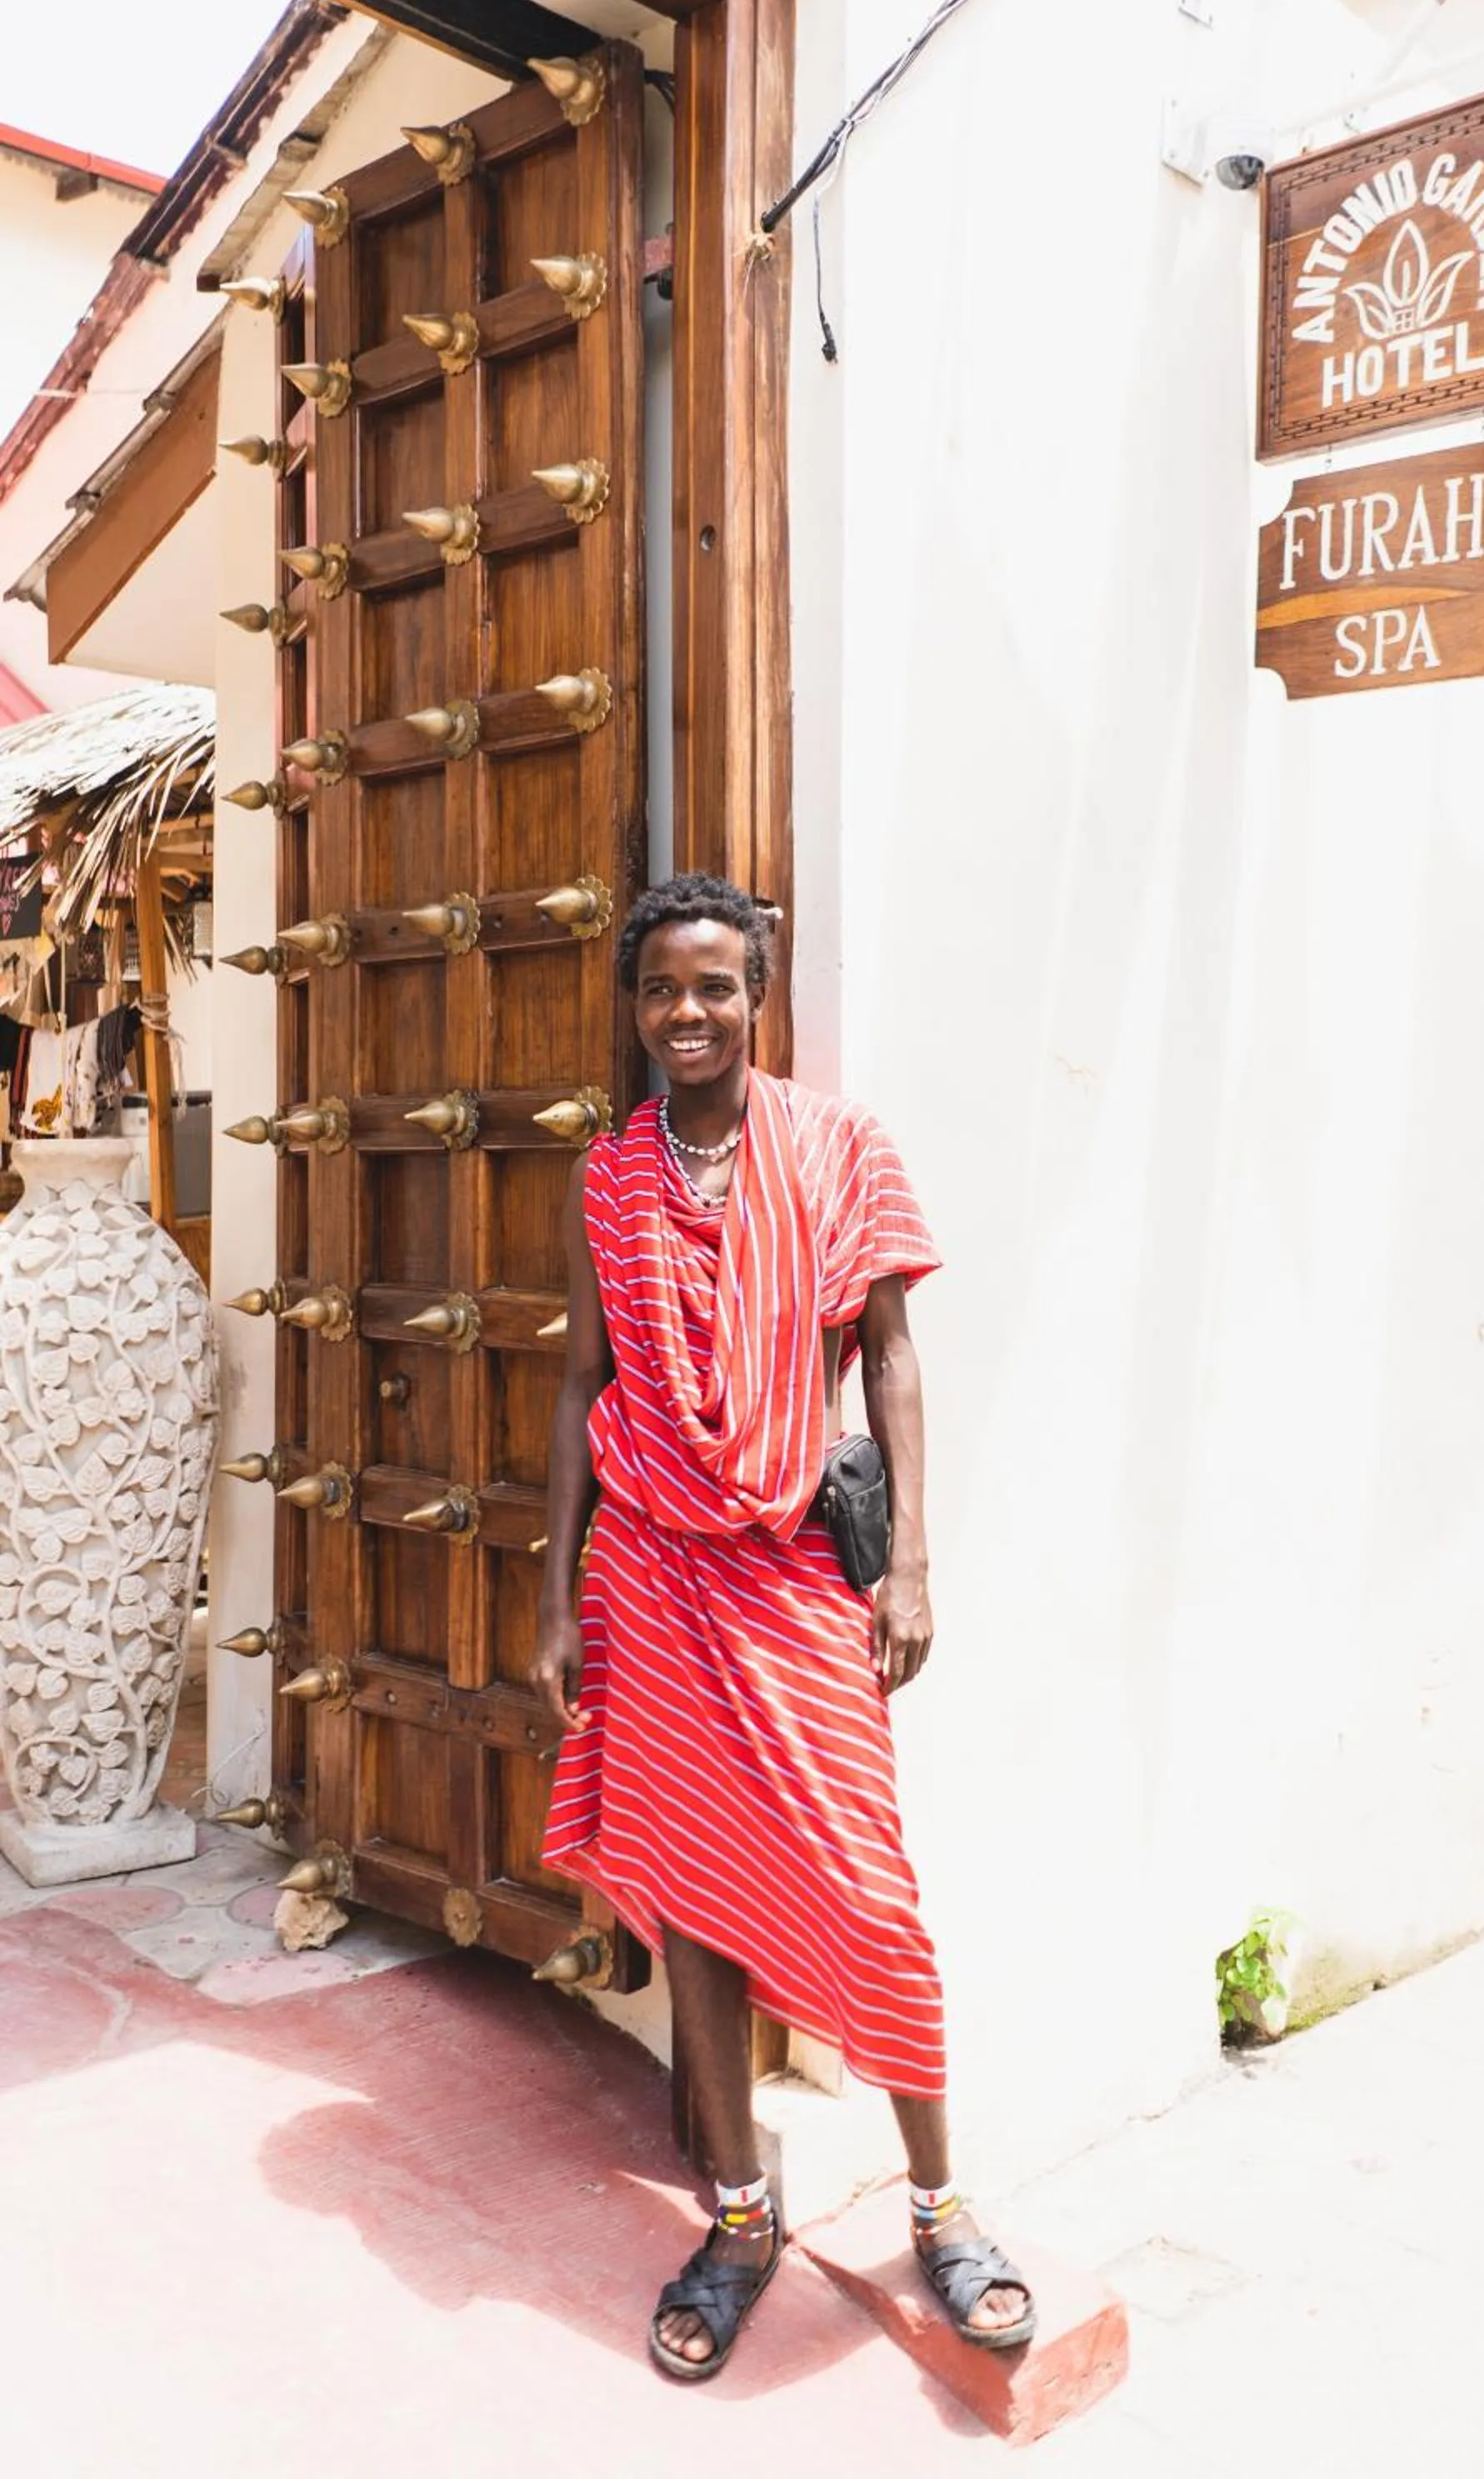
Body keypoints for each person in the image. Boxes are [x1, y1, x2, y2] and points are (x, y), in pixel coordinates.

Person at [534, 872, 1032, 2382]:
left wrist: (914, 1564)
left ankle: (940, 2206)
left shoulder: (838, 1148)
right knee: (693, 1899)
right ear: (636, 1008)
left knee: (871, 1890)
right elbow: (582, 1386)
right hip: (651, 1573)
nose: (687, 1012)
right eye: (661, 989)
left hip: (799, 1566)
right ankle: (742, 2214)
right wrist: (554, 1596)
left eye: (715, 986)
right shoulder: (611, 1176)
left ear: (757, 996)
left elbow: (891, 1355)